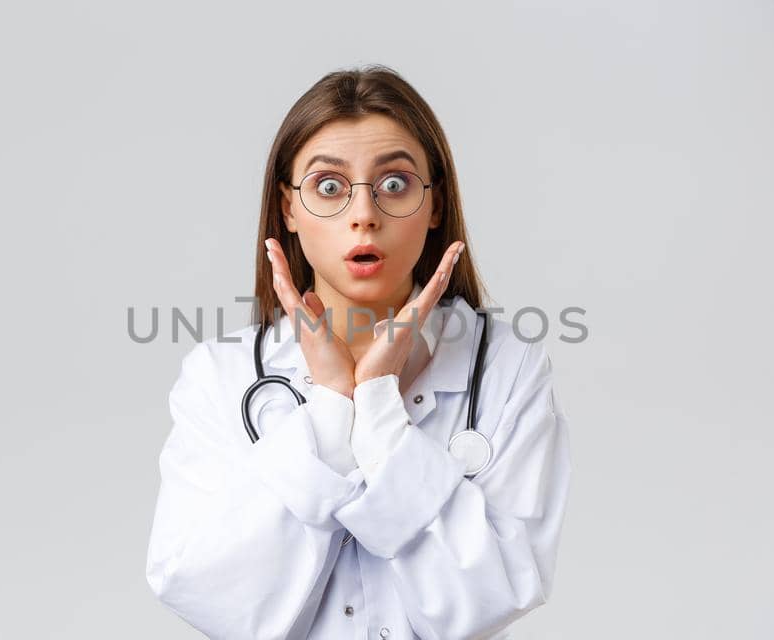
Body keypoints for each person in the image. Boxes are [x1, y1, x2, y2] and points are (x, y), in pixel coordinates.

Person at [145, 64, 571, 640]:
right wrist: (329, 410)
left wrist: (378, 412)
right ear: (289, 209)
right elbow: (207, 594)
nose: (364, 215)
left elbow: (492, 597)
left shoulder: (505, 370)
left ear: (436, 205)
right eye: (328, 187)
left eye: (394, 183)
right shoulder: (219, 376)